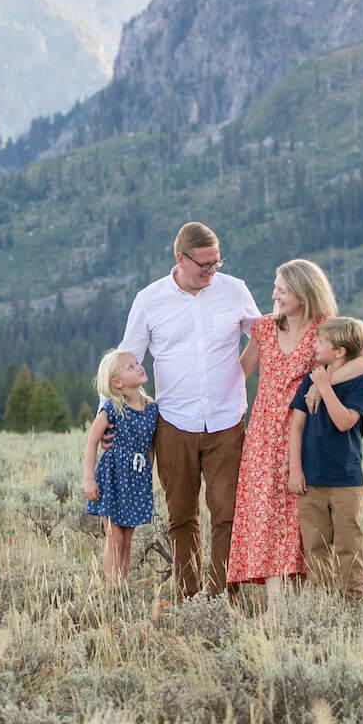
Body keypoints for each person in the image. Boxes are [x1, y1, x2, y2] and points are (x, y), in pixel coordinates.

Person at [116, 222, 259, 599]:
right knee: (181, 516)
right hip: (173, 424)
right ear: (180, 259)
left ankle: (223, 597)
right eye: (205, 265)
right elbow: (126, 357)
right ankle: (188, 597)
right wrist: (113, 413)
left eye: (217, 262)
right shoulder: (149, 299)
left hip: (228, 422)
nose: (213, 271)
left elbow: (263, 338)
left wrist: (237, 375)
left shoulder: (235, 290)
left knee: (226, 514)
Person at [225, 260, 363, 590]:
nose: (274, 294)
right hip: (264, 432)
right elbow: (239, 371)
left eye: (282, 289)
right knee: (264, 513)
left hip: (304, 431)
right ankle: (275, 597)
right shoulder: (264, 328)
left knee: (299, 516)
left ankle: (308, 593)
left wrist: (323, 385)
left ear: (304, 292)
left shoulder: (326, 329)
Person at [287, 315, 363, 601]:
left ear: (340, 352)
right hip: (311, 478)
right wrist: (295, 471)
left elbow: (344, 421)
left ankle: (353, 599)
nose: (315, 344)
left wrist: (324, 387)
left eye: (321, 341)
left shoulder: (359, 383)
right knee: (315, 543)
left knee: (349, 542)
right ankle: (321, 601)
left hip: (345, 479)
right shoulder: (309, 380)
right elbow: (296, 427)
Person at [82, 349, 159, 583]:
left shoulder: (152, 409)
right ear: (116, 382)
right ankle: (111, 589)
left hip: (136, 479)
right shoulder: (112, 409)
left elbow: (150, 448)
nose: (139, 367)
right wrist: (89, 479)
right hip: (114, 477)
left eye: (137, 363)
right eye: (130, 367)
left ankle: (121, 584)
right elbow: (92, 441)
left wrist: (148, 475)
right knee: (114, 535)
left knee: (127, 537)